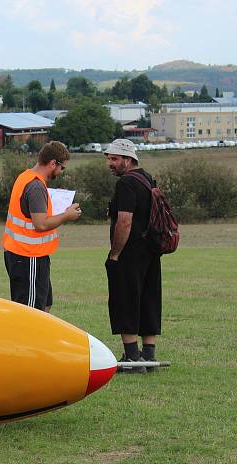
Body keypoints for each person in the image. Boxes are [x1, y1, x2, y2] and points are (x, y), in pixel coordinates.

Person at [2, 140, 81, 312]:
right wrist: (67, 215)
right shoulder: (36, 186)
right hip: (27, 256)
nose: (61, 172)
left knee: (44, 304)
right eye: (62, 168)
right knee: (30, 312)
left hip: (30, 255)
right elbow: (41, 224)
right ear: (53, 163)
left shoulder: (26, 177)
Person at [104, 138, 161, 371]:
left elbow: (125, 221)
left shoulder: (126, 183)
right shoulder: (148, 178)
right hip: (151, 249)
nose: (110, 163)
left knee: (125, 299)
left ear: (128, 160)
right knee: (149, 298)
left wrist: (115, 253)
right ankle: (149, 355)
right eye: (108, 158)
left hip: (130, 251)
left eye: (115, 159)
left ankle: (131, 356)